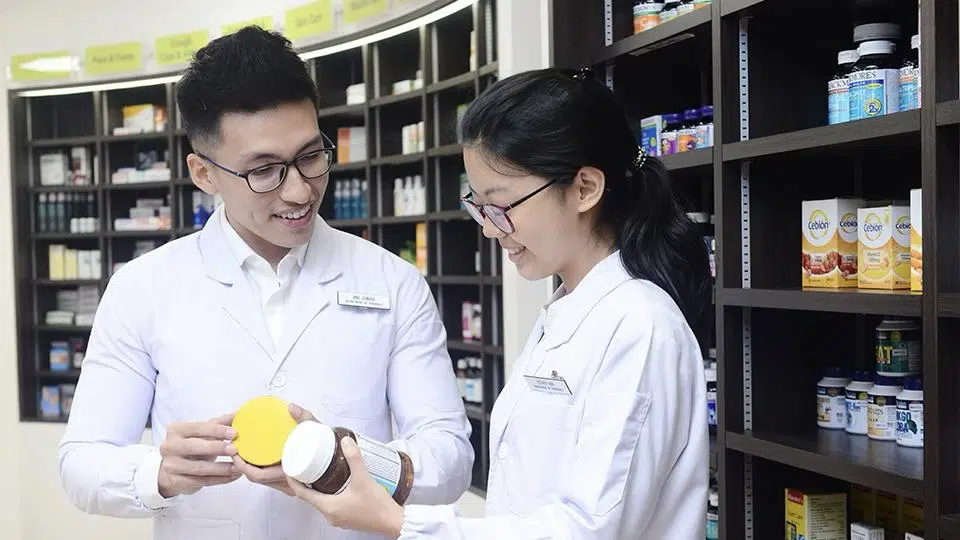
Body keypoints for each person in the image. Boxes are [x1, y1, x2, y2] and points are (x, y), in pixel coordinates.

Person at [58, 26, 474, 539]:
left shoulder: (394, 282)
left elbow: (451, 459)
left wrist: (345, 457)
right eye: (264, 171)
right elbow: (81, 463)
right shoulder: (144, 288)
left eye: (310, 156)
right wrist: (158, 474)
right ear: (204, 173)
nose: (299, 190)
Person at [285, 66, 713, 539]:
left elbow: (587, 529)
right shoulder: (568, 310)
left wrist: (397, 523)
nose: (489, 228)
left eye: (503, 205)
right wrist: (348, 457)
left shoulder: (640, 325)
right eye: (479, 205)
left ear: (585, 189)